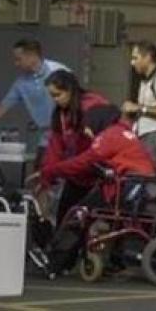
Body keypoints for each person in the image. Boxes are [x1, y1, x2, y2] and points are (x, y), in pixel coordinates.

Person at [40, 104, 156, 274]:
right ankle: (112, 259)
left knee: (78, 212)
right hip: (137, 186)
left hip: (124, 188)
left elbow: (83, 162)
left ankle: (55, 262)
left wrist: (51, 170)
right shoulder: (124, 133)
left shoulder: (108, 137)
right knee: (94, 206)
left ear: (97, 122)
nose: (87, 132)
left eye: (87, 127)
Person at [0, 39, 67, 164]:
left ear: (32, 56)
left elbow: (78, 102)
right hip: (45, 139)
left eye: (18, 59)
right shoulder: (21, 84)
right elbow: (0, 108)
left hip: (66, 137)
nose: (16, 63)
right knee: (39, 178)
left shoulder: (58, 71)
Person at [44, 69, 114, 224]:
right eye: (52, 96)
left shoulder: (93, 105)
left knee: (87, 220)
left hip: (99, 175)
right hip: (78, 174)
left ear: (70, 90)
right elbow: (54, 147)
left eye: (58, 95)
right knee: (65, 219)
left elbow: (105, 141)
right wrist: (48, 175)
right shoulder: (60, 115)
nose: (55, 100)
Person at [122, 41, 156, 176]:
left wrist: (139, 108)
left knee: (150, 183)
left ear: (148, 57)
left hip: (155, 139)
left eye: (135, 58)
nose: (132, 63)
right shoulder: (145, 81)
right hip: (145, 138)